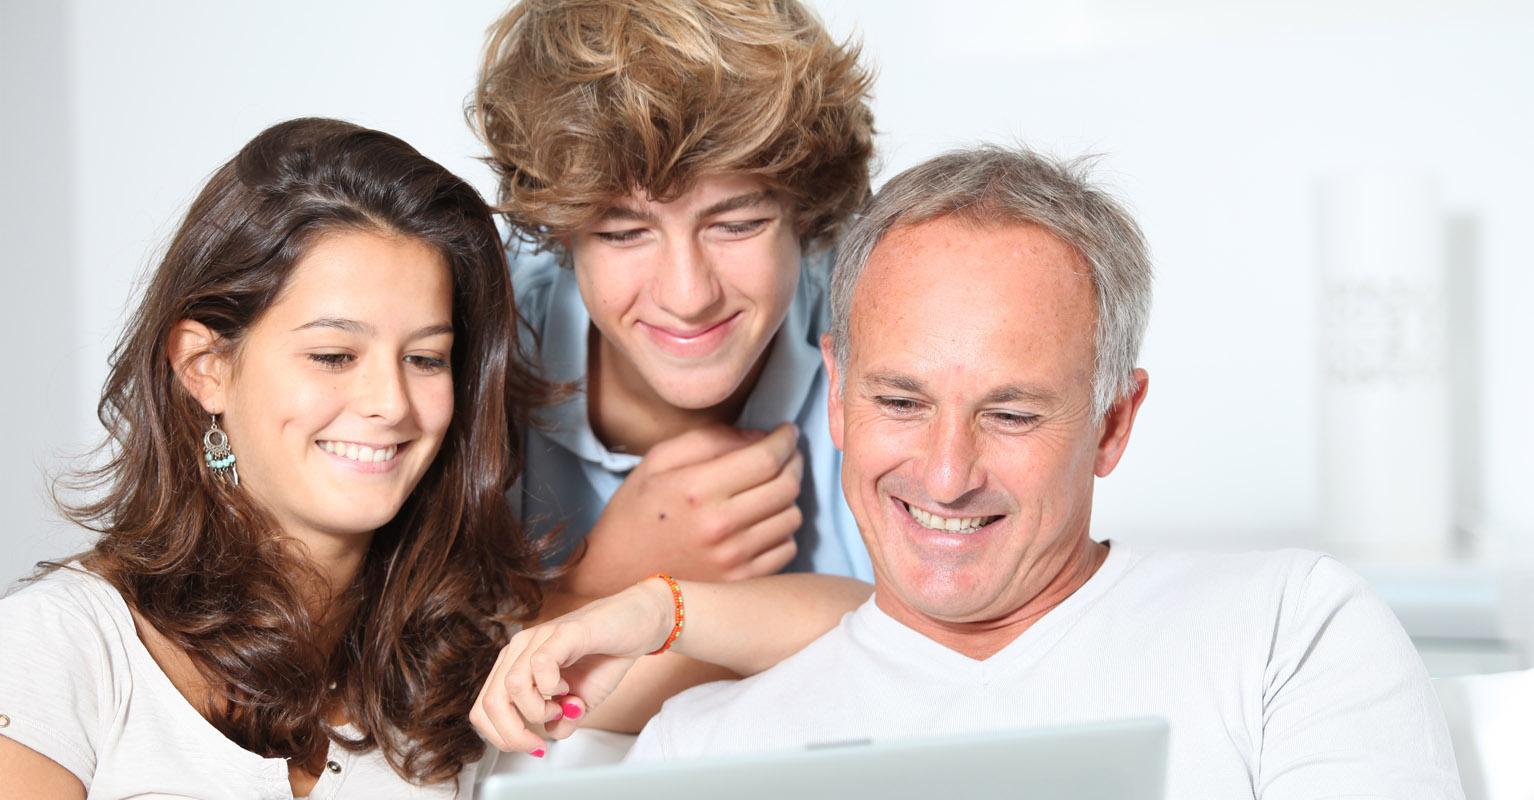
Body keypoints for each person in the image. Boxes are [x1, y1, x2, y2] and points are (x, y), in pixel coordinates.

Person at [472, 145, 1466, 799]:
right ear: (839, 399)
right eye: (901, 402)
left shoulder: (1286, 631)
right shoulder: (701, 747)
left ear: (1113, 422)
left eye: (1010, 411)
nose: (946, 474)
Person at [0, 117, 562, 798]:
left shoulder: (464, 668)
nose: (391, 402)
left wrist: (659, 607)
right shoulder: (57, 648)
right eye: (334, 356)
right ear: (206, 367)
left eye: (424, 358)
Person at [471, 0, 878, 599]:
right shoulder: (464, 350)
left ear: (808, 211)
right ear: (559, 228)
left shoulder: (889, 343)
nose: (688, 297)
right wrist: (602, 579)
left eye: (737, 225)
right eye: (622, 234)